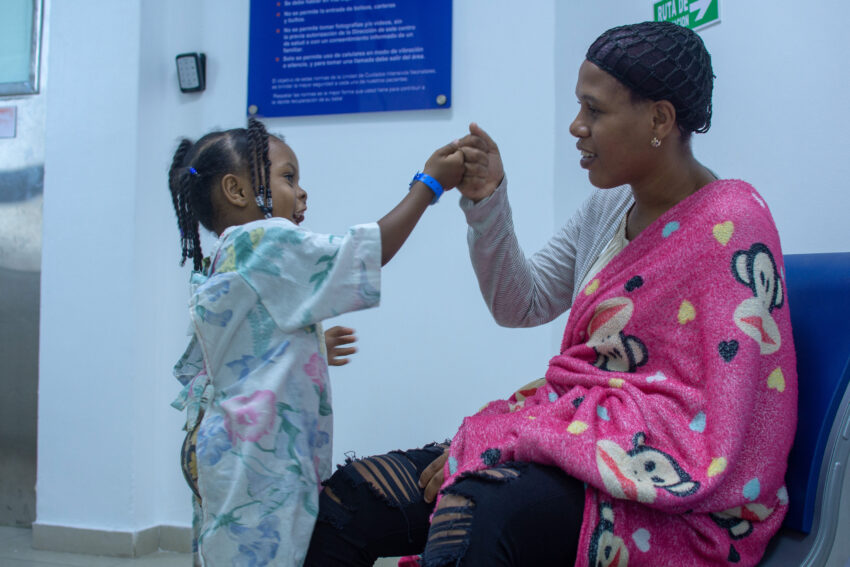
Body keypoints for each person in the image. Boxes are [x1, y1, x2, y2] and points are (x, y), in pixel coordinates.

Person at [305, 21, 796, 567]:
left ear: (659, 118)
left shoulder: (732, 224)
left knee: (477, 511)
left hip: (660, 490)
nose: (576, 127)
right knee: (351, 499)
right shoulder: (609, 208)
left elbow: (710, 419)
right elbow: (524, 303)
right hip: (571, 434)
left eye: (595, 110)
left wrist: (517, 436)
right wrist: (489, 202)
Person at [167, 118, 464, 566]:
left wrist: (304, 348)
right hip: (259, 461)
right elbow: (364, 252)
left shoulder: (226, 256)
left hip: (220, 448)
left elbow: (231, 355)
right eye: (288, 177)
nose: (302, 191)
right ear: (236, 190)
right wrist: (428, 186)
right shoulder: (265, 239)